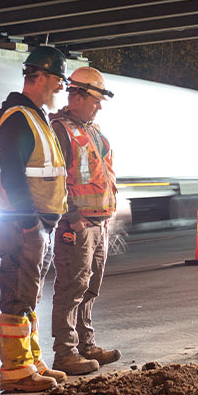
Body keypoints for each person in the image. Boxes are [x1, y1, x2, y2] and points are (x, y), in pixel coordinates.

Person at [0, 46, 71, 393]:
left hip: (34, 225)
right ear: (39, 77)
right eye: (57, 80)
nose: (61, 88)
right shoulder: (20, 118)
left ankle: (31, 361)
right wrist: (29, 224)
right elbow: (12, 177)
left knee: (28, 296)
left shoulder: (34, 116)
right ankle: (15, 370)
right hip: (22, 224)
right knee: (16, 296)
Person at [48, 66, 121, 375]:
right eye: (95, 98)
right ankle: (65, 352)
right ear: (76, 95)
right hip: (76, 226)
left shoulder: (92, 130)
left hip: (97, 224)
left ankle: (85, 345)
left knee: (90, 286)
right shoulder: (61, 131)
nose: (99, 105)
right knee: (71, 287)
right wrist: (72, 217)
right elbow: (55, 179)